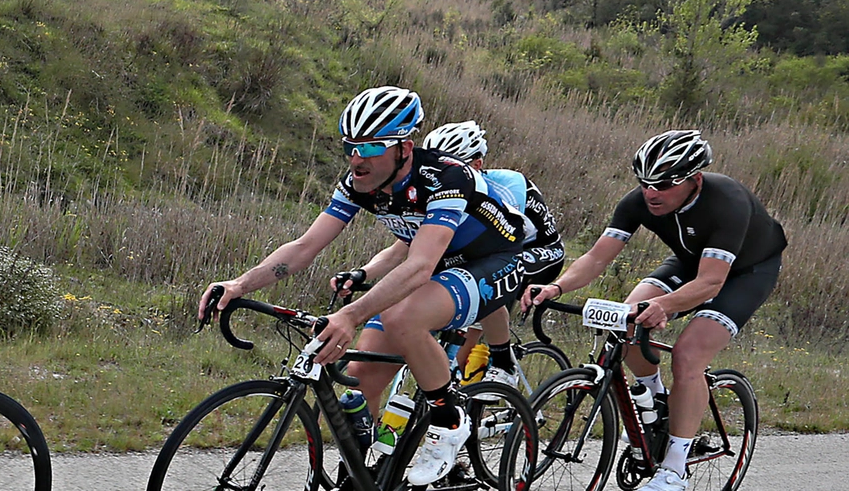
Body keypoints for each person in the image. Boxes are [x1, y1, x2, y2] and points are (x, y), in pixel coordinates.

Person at [200, 86, 530, 486]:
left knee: (403, 318)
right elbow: (305, 247)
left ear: (403, 148)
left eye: (372, 147)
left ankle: (448, 420)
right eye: (350, 147)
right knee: (360, 379)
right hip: (439, 263)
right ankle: (372, 473)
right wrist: (240, 284)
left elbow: (420, 266)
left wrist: (351, 314)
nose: (357, 160)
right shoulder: (360, 182)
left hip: (494, 261)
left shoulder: (446, 176)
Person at [522, 130, 785, 491]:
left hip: (744, 273)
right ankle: (657, 400)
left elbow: (710, 282)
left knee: (688, 355)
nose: (652, 193)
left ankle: (674, 469)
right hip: (689, 261)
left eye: (663, 184)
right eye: (645, 183)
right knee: (624, 320)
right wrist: (556, 286)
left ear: (694, 180)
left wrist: (661, 305)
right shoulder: (638, 202)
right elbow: (598, 256)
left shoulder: (727, 201)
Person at [420, 120, 565, 387]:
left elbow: (499, 251)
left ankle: (501, 364)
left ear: (477, 165)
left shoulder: (508, 186)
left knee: (487, 284)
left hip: (537, 252)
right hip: (491, 251)